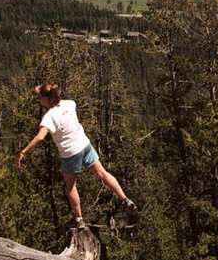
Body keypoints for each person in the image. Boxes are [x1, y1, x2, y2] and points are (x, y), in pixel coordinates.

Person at [17, 83, 137, 228]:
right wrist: (40, 90)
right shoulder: (70, 104)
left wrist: (24, 151)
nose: (38, 100)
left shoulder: (49, 117)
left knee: (71, 187)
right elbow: (51, 94)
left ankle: (79, 220)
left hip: (70, 154)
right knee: (102, 173)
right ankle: (125, 199)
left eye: (39, 97)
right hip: (84, 145)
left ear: (46, 99)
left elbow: (41, 137)